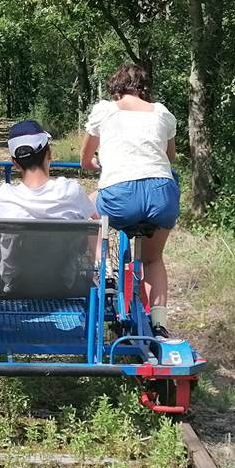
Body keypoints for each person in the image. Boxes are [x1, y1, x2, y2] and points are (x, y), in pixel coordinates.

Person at [79, 64, 179, 332]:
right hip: (162, 195)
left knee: (88, 206)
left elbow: (85, 158)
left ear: (116, 89)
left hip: (121, 196)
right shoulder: (162, 113)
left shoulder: (105, 110)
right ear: (145, 89)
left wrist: (98, 163)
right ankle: (159, 324)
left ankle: (106, 268)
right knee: (153, 259)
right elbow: (168, 158)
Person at [0, 120, 96, 221]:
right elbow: (93, 234)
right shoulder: (72, 192)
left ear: (15, 163)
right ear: (49, 154)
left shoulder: (2, 198)